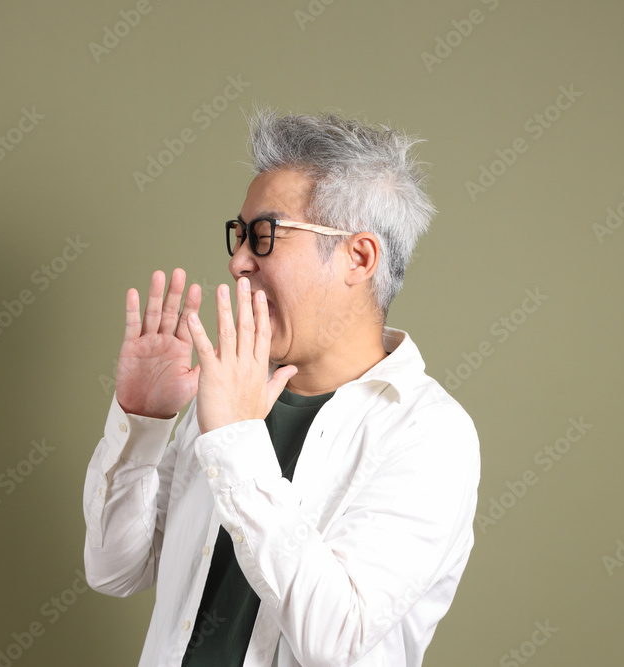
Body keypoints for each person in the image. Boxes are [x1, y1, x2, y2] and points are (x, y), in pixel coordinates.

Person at [83, 109, 481, 666]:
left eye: (264, 236)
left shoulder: (430, 434)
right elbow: (115, 570)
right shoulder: (227, 393)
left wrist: (237, 443)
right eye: (239, 234)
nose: (237, 261)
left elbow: (336, 639)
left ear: (359, 257)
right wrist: (142, 423)